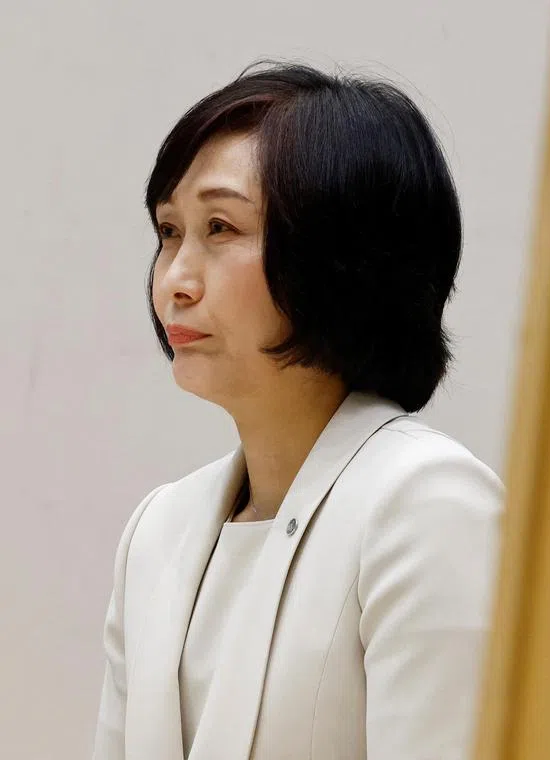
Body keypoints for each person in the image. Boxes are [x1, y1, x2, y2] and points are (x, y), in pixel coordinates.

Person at [91, 62, 503, 760]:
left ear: (340, 257)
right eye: (169, 231)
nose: (175, 281)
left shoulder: (427, 506)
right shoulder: (157, 531)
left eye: (221, 227)